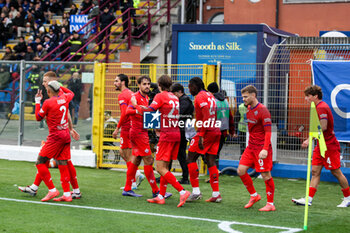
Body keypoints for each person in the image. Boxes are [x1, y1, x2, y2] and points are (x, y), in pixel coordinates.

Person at [18, 71, 81, 199]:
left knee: (44, 161)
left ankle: (64, 190)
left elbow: (39, 117)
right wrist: (70, 128)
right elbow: (67, 106)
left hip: (56, 136)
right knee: (63, 162)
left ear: (52, 83)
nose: (43, 83)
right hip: (64, 134)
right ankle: (65, 193)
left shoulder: (50, 100)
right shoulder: (64, 96)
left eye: (45, 81)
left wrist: (37, 102)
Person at [133, 75, 191, 207]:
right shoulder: (174, 97)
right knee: (165, 167)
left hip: (166, 135)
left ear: (159, 85)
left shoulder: (160, 96)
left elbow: (150, 110)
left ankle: (182, 191)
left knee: (159, 168)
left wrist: (136, 105)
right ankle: (160, 195)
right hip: (176, 133)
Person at [292, 85, 350, 208]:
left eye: (308, 96)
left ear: (315, 96)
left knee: (336, 172)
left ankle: (348, 198)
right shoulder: (317, 107)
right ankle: (308, 199)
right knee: (315, 171)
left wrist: (309, 139)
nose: (306, 99)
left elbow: (323, 127)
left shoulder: (322, 107)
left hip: (329, 146)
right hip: (320, 145)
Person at [122, 76, 169, 199]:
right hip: (138, 133)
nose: (147, 86)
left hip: (141, 132)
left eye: (148, 84)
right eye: (144, 84)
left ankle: (127, 189)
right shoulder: (135, 97)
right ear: (139, 85)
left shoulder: (146, 97)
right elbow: (127, 112)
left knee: (136, 160)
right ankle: (155, 191)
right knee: (149, 160)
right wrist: (139, 110)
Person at [237, 85, 275, 212]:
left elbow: (268, 132)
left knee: (265, 175)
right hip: (251, 147)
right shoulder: (248, 109)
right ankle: (254, 195)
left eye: (245, 96)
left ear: (253, 95)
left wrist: (265, 149)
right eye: (243, 97)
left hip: (261, 148)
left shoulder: (263, 110)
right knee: (241, 170)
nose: (243, 99)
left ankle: (270, 203)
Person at [186, 77, 222, 203]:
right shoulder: (210, 95)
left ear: (195, 86)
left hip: (206, 132)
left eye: (190, 86)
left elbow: (206, 113)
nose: (189, 89)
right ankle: (216, 194)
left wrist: (201, 134)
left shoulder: (200, 96)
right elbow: (214, 112)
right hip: (215, 130)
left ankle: (196, 192)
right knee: (210, 160)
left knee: (190, 158)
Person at [112, 73, 145, 190]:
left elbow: (124, 113)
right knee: (123, 152)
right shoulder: (131, 93)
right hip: (134, 126)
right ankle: (137, 175)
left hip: (127, 128)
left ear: (123, 82)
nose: (114, 83)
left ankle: (132, 183)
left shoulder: (122, 95)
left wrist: (117, 128)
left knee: (128, 155)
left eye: (116, 81)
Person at [207, 82, 235, 171]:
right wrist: (232, 131)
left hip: (214, 131)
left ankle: (214, 171)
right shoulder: (226, 102)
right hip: (224, 132)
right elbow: (230, 117)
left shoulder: (213, 102)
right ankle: (216, 170)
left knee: (209, 153)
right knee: (217, 152)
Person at [170, 82, 194, 184]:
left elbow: (179, 114)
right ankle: (183, 177)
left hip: (182, 130)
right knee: (178, 154)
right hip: (182, 130)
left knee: (181, 155)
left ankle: (185, 177)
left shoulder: (184, 101)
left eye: (174, 93)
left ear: (179, 92)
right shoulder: (185, 100)